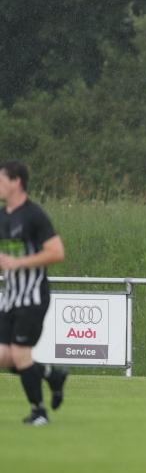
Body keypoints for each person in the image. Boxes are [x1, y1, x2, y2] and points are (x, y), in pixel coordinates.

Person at [0, 161, 68, 426]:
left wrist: (19, 263)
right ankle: (51, 375)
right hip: (10, 297)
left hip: (33, 297)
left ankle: (39, 412)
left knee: (19, 354)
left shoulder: (34, 215)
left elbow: (57, 252)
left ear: (16, 181)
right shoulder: (2, 216)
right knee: (4, 357)